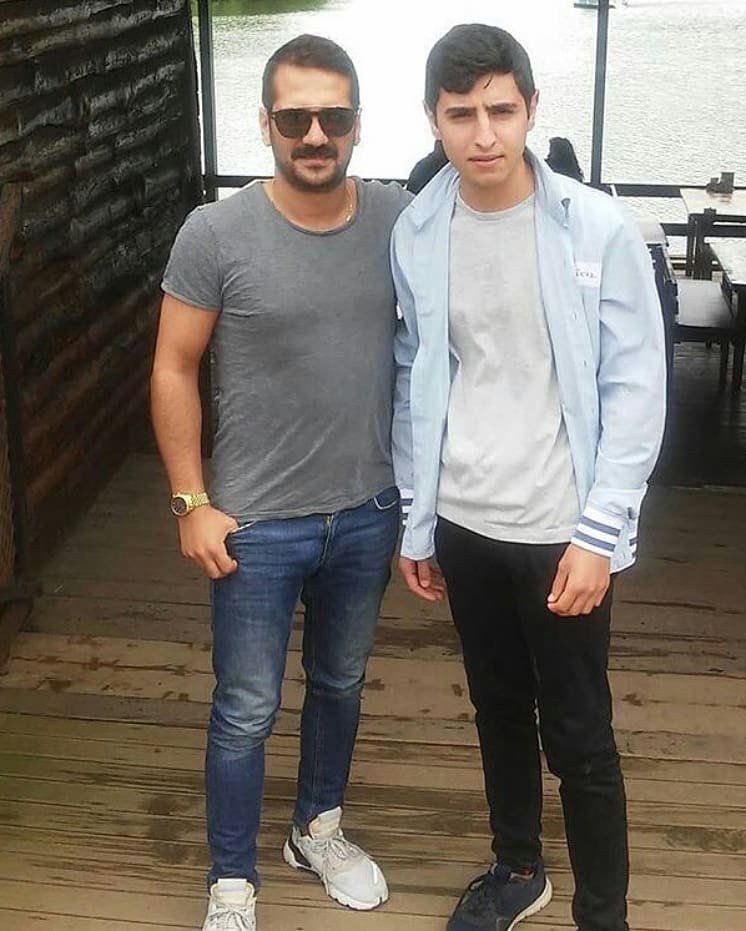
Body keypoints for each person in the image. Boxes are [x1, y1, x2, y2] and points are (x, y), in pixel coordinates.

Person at [391, 24, 666, 931]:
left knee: (580, 732)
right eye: (460, 114)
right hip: (465, 520)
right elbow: (415, 373)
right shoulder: (418, 229)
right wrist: (417, 520)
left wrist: (599, 534)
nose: (484, 135)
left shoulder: (596, 227)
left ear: (532, 109)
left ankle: (603, 913)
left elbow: (636, 389)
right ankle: (517, 868)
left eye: (501, 111)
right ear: (433, 118)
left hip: (560, 529)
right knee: (497, 707)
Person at [151, 34, 411, 931]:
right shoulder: (215, 232)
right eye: (295, 117)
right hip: (254, 523)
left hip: (368, 509)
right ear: (264, 123)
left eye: (333, 116)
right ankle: (232, 879)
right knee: (245, 707)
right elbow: (172, 366)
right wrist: (191, 501)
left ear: (357, 124)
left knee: (340, 680)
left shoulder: (399, 218)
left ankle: (316, 829)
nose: (315, 134)